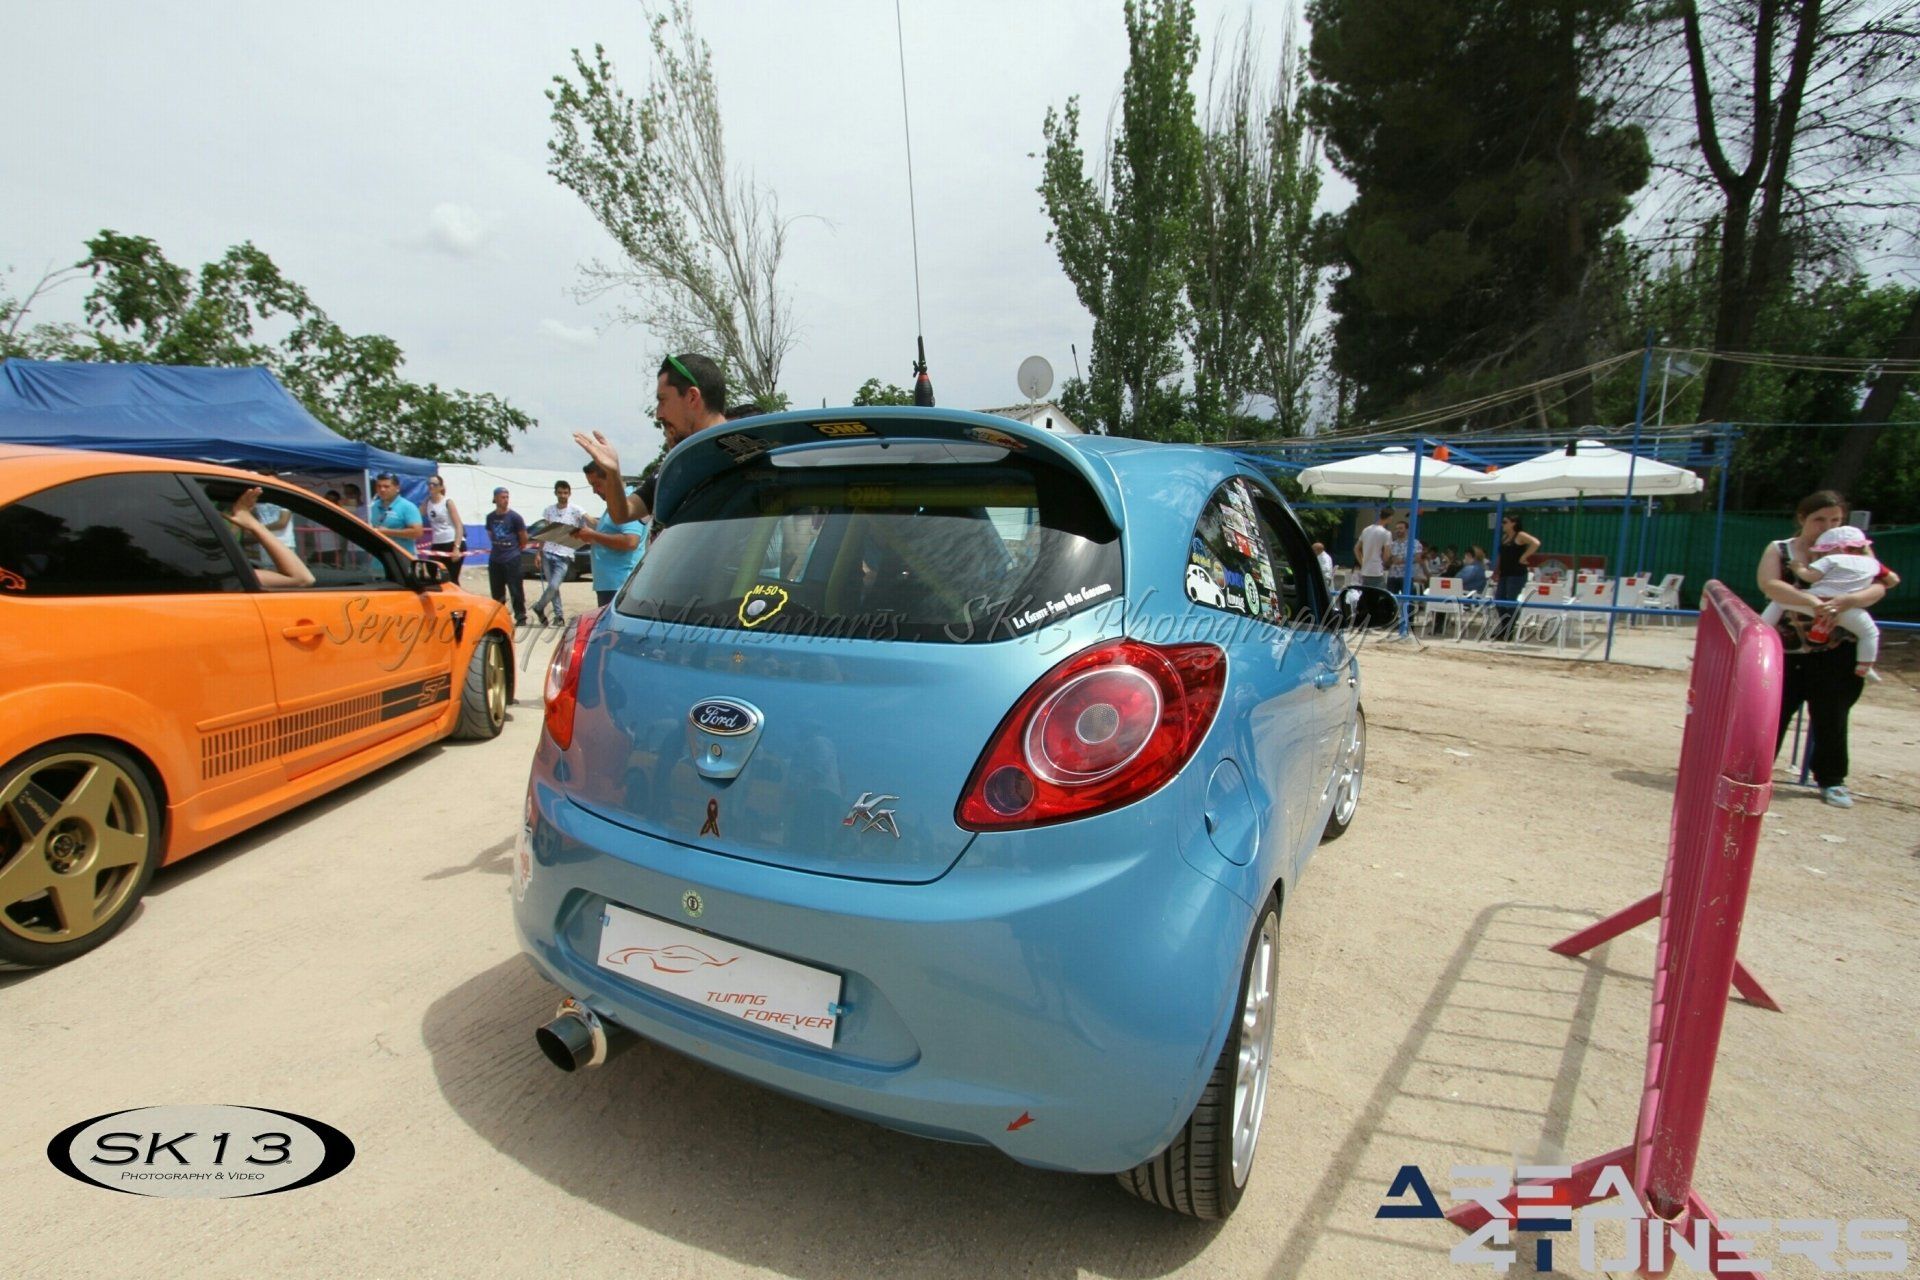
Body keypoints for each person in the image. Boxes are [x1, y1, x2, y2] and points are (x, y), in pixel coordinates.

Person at [1759, 492, 1897, 808]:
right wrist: (1811, 600)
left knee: (1832, 716)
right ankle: (1754, 773)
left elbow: (1880, 584)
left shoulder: (1854, 546)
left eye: (1835, 520)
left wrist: (1849, 601)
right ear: (1802, 519)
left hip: (1838, 649)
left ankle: (1832, 780)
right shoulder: (1781, 549)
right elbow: (1770, 584)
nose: (1828, 526)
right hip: (1788, 650)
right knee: (1771, 715)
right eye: (1819, 519)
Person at [575, 352, 729, 525]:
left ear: (692, 397)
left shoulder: (747, 456)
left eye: (663, 400)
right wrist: (612, 473)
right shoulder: (675, 466)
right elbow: (622, 513)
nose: (658, 414)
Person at [1760, 524, 1890, 682]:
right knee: (1870, 633)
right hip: (1847, 608)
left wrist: (1798, 568)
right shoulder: (1872, 563)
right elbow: (1891, 580)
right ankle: (1865, 666)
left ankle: (1760, 631)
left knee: (1779, 602)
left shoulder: (1830, 559)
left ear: (1836, 548)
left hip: (1820, 601)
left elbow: (1810, 577)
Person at [577, 461, 647, 606]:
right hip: (611, 584)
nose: (594, 491)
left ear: (611, 479)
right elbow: (611, 533)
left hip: (620, 584)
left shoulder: (626, 503)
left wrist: (594, 536)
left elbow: (631, 541)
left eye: (597, 484)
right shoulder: (615, 504)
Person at [228, 487, 314, 588]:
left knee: (277, 576)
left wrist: (255, 527)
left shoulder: (283, 502)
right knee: (271, 572)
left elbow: (282, 523)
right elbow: (303, 579)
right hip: (265, 542)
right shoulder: (259, 504)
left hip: (283, 543)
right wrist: (254, 526)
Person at [531, 480, 588, 626]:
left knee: (554, 585)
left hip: (564, 554)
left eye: (565, 492)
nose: (563, 495)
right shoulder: (549, 511)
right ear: (555, 493)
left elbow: (584, 528)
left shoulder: (576, 510)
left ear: (569, 493)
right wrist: (538, 553)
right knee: (553, 587)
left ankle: (539, 607)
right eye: (560, 492)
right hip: (548, 552)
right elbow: (545, 532)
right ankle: (559, 616)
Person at [483, 487, 530, 626]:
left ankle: (521, 617)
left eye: (507, 497)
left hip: (512, 558)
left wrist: (515, 549)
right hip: (495, 559)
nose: (505, 500)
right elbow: (491, 534)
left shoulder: (515, 517)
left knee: (515, 589)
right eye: (502, 497)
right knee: (497, 590)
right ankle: (500, 616)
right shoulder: (490, 517)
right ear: (495, 499)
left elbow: (524, 537)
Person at [1490, 514, 1540, 640]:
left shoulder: (1520, 535)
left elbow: (1536, 543)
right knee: (1499, 600)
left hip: (1516, 574)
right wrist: (1496, 570)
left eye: (1505, 522)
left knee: (1511, 602)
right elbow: (1501, 555)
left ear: (1514, 523)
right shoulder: (1505, 537)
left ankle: (1508, 631)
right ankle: (1505, 628)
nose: (1502, 524)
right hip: (1505, 574)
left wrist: (1524, 557)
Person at [421, 475, 466, 586]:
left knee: (451, 579)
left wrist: (456, 548)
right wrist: (427, 499)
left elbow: (459, 526)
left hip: (452, 542)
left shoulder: (447, 502)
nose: (431, 486)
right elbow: (418, 514)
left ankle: (456, 596)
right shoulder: (428, 502)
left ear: (441, 487)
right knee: (431, 572)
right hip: (437, 543)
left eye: (434, 484)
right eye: (429, 484)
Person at [367, 473, 425, 544]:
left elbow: (418, 532)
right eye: (379, 486)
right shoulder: (373, 505)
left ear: (397, 488)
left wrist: (388, 532)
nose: (382, 489)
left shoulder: (407, 507)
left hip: (400, 550)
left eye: (386, 486)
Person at [1354, 510, 1393, 589]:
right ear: (1389, 518)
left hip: (1365, 569)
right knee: (1379, 593)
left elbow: (1356, 549)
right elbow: (1386, 555)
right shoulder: (1386, 533)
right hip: (1377, 569)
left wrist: (1362, 563)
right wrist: (1385, 563)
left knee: (1367, 592)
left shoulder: (1366, 530)